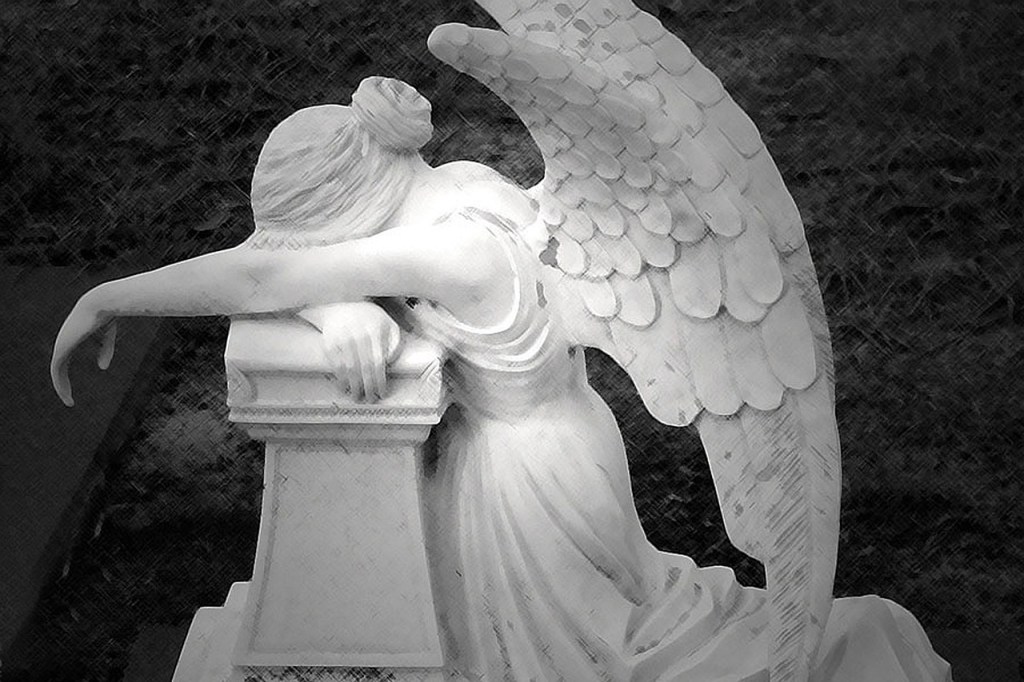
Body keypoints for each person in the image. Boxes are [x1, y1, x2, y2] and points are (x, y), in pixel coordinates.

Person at [51, 77, 951, 681]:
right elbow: (303, 276)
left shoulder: (448, 251)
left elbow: (265, 279)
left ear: (343, 215)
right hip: (551, 443)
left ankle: (844, 651)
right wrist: (336, 308)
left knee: (596, 662)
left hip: (525, 481)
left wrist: (109, 297)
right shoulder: (464, 183)